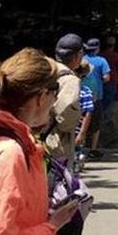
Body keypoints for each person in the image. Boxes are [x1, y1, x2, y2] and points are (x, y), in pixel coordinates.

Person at [0, 48, 79, 234]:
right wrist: (52, 226)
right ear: (41, 97)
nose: (55, 101)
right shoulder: (7, 153)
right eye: (55, 91)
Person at [46, 33, 84, 167]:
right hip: (56, 143)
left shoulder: (47, 70)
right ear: (78, 56)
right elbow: (65, 118)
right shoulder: (70, 80)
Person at [82, 38, 110, 159]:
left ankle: (80, 147)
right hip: (96, 95)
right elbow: (107, 77)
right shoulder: (102, 61)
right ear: (97, 48)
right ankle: (93, 149)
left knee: (81, 121)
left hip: (80, 94)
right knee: (96, 124)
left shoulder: (82, 59)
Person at [72, 61, 95, 174]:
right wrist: (83, 132)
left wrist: (81, 133)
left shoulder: (84, 91)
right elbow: (88, 113)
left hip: (75, 130)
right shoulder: (85, 91)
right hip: (75, 128)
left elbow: (87, 113)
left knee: (75, 155)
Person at [101, 36, 118, 113]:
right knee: (108, 104)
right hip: (112, 81)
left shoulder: (101, 55)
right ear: (114, 45)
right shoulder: (117, 56)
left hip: (101, 80)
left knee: (99, 101)